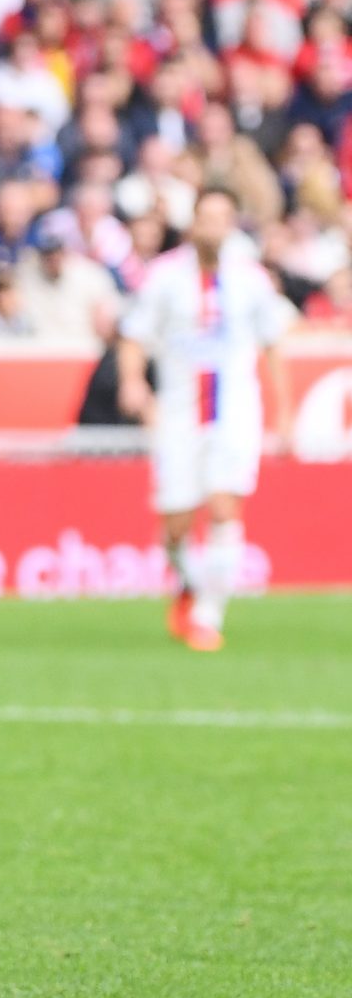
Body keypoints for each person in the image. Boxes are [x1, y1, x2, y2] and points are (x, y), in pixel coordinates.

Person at [113, 185, 293, 654]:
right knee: (175, 524)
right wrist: (133, 380)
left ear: (231, 224)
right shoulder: (164, 275)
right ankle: (189, 586)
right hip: (178, 414)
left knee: (223, 506)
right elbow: (133, 335)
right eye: (205, 217)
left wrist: (285, 410)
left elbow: (273, 345)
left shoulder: (251, 279)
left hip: (235, 412)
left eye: (221, 217)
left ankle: (209, 616)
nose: (212, 226)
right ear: (192, 222)